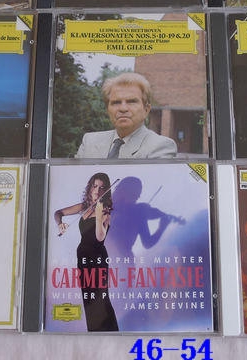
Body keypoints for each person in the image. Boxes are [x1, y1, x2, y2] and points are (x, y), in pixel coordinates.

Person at [54, 173, 119, 331]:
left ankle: (110, 333)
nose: (97, 190)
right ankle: (94, 333)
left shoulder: (105, 210)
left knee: (101, 298)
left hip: (97, 259)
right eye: (95, 186)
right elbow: (58, 213)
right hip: (83, 258)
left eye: (101, 187)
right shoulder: (84, 206)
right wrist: (60, 223)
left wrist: (99, 217)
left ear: (106, 190)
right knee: (89, 298)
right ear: (90, 188)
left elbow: (100, 237)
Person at [75, 72, 177, 158]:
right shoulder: (89, 142)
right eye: (116, 102)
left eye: (131, 101)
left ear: (146, 110)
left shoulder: (161, 146)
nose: (123, 108)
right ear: (108, 110)